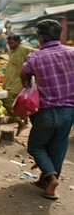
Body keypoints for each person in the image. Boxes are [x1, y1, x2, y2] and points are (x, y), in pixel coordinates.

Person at [19, 19, 74, 200]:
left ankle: (50, 178)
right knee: (58, 147)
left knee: (35, 146)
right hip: (68, 111)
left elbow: (23, 75)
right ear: (60, 35)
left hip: (45, 111)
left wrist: (28, 84)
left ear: (40, 37)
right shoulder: (72, 53)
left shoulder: (35, 57)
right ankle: (47, 182)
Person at [2, 34, 36, 136]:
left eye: (12, 43)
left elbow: (37, 54)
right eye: (9, 43)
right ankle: (24, 121)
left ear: (18, 42)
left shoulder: (24, 49)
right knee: (20, 103)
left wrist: (29, 71)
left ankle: (20, 123)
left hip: (17, 83)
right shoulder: (13, 51)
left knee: (7, 101)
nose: (10, 45)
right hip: (10, 81)